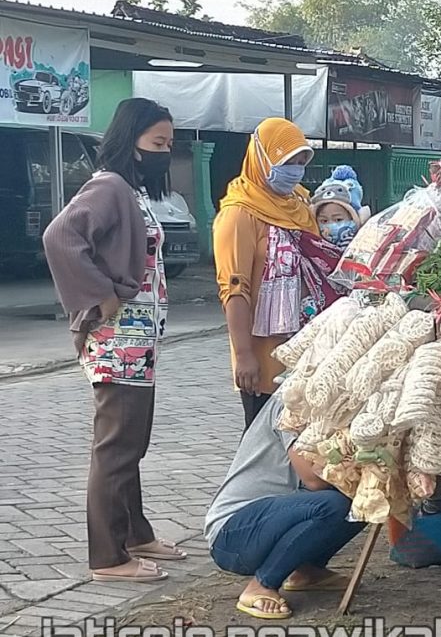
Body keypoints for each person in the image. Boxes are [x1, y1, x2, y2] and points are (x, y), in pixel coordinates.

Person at [42, 97, 186, 582]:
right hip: (118, 339)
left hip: (137, 341)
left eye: (169, 143)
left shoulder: (131, 189)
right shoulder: (108, 187)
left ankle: (135, 533)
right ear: (132, 143)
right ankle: (108, 556)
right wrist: (101, 297)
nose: (165, 152)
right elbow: (60, 238)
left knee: (130, 440)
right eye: (157, 143)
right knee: (117, 445)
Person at [213, 118, 345, 430]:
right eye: (288, 162)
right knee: (263, 443)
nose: (295, 170)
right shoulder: (239, 213)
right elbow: (234, 288)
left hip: (309, 350)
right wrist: (243, 355)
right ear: (263, 158)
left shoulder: (300, 204)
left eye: (301, 162)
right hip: (264, 358)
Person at [205, 393, 365, 619]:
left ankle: (307, 571)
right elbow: (314, 480)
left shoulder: (340, 402)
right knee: (333, 504)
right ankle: (261, 584)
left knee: (369, 500)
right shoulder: (292, 399)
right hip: (233, 534)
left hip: (277, 517)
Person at [310, 164, 371, 250]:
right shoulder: (314, 239)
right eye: (324, 221)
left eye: (338, 220)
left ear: (353, 219)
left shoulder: (353, 240)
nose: (330, 224)